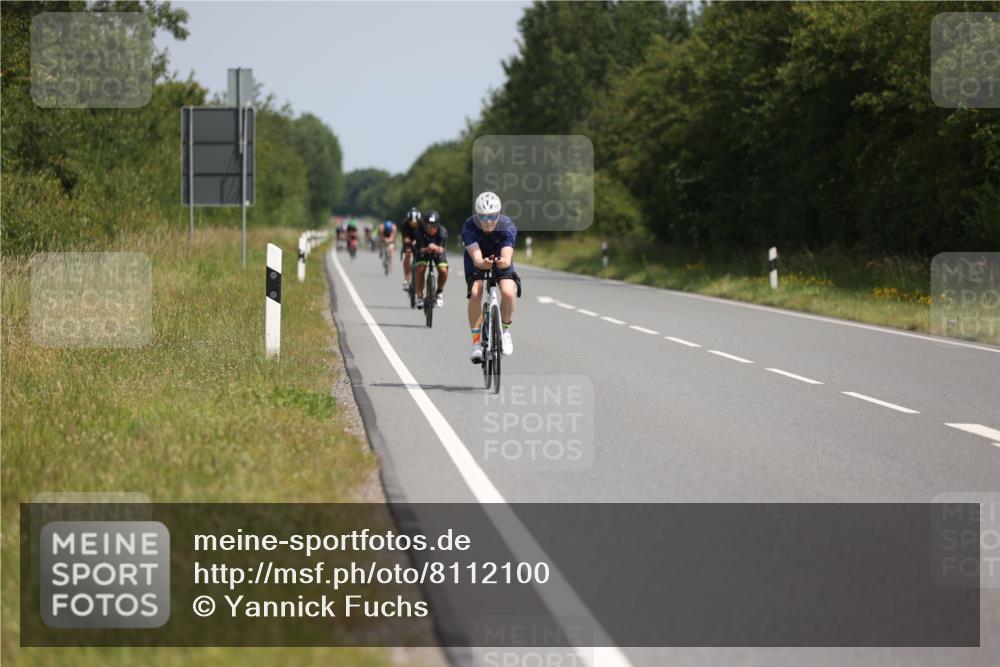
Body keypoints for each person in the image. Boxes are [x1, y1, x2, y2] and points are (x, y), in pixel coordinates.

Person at [463, 191, 517, 363]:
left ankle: (506, 332)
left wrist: (500, 262)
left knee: (508, 292)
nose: (488, 221)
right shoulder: (469, 226)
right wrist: (483, 263)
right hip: (477, 259)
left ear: (499, 214)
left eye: (493, 216)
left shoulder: (507, 226)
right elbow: (478, 260)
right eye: (483, 217)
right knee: (476, 291)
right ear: (477, 215)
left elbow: (507, 259)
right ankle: (476, 344)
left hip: (500, 258)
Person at [413, 210, 449, 309]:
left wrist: (435, 248)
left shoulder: (442, 231)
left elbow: (441, 249)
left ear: (438, 226)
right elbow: (419, 249)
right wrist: (427, 248)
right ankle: (420, 297)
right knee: (420, 269)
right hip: (423, 250)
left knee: (443, 270)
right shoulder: (418, 231)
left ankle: (439, 292)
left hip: (437, 251)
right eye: (428, 226)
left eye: (434, 226)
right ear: (424, 225)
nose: (431, 229)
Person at [400, 206, 421, 291]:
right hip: (408, 240)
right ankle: (406, 277)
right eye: (411, 223)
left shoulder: (422, 224)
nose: (413, 225)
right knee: (408, 254)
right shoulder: (404, 224)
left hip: (419, 240)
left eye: (415, 223)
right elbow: (405, 238)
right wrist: (408, 241)